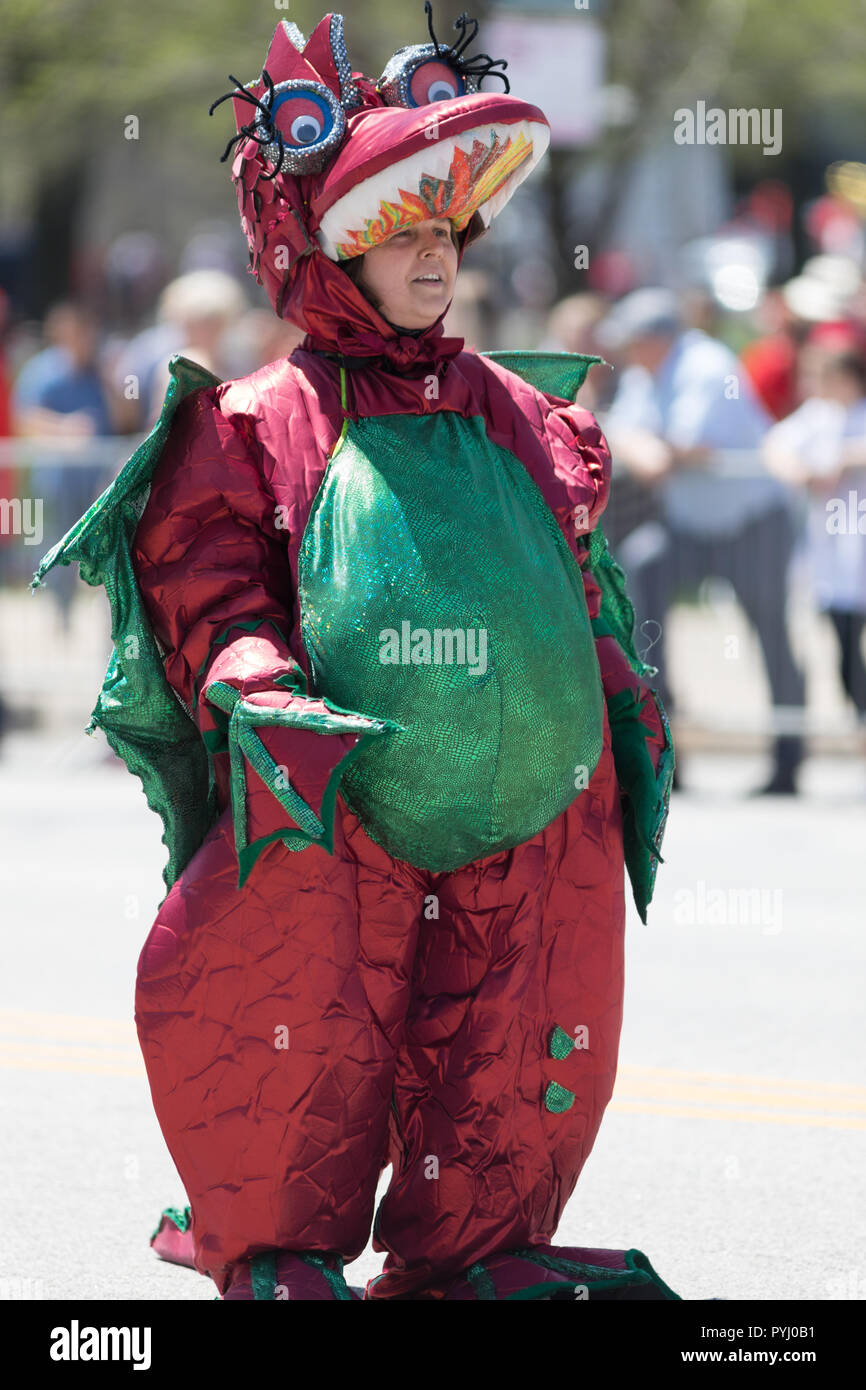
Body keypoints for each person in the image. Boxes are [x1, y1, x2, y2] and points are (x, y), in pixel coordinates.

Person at [33, 9, 676, 1301]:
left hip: (540, 802)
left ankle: (474, 1244)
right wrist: (255, 678)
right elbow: (211, 583)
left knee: (519, 1020)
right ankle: (275, 1245)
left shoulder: (513, 405)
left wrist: (616, 695)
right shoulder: (262, 417)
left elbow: (571, 575)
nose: (435, 261)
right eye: (403, 240)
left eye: (445, 234)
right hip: (339, 793)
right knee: (303, 1017)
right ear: (336, 259)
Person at [599, 287, 806, 794]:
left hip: (752, 521)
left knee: (771, 632)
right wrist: (636, 441)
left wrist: (637, 441)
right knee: (640, 581)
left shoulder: (707, 366)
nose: (626, 352)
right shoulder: (646, 374)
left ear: (657, 338)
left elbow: (675, 450)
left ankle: (789, 759)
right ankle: (668, 754)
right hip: (690, 525)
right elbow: (627, 437)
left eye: (633, 341)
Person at [764, 336, 866, 725]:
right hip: (835, 552)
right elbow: (776, 445)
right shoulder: (818, 416)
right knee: (846, 654)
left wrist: (844, 459)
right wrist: (799, 471)